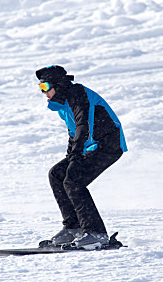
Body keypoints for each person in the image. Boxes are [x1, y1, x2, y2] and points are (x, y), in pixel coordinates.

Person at [36, 65, 127, 249]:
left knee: (73, 181)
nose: (43, 92)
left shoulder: (77, 94)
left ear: (57, 85)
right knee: (57, 174)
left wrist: (76, 157)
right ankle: (74, 228)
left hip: (108, 144)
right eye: (40, 88)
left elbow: (83, 126)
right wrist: (72, 156)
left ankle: (96, 233)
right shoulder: (63, 104)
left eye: (45, 87)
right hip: (91, 147)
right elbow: (73, 134)